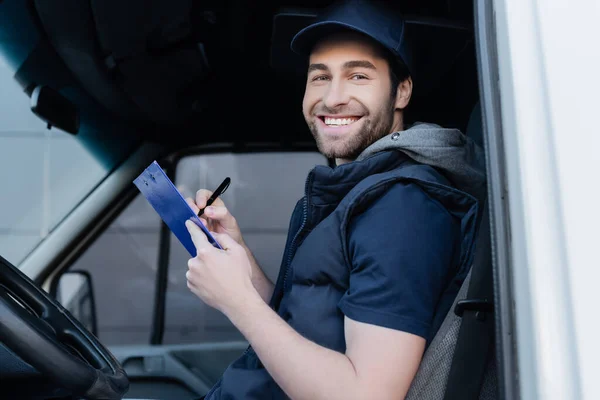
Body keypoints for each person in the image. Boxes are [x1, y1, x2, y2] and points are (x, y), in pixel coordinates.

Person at [184, 0, 486, 398]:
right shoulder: (357, 192)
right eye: (320, 77)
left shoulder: (403, 206)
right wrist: (239, 259)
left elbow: (366, 394)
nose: (332, 97)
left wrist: (238, 302)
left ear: (402, 91)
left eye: (358, 76)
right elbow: (308, 322)